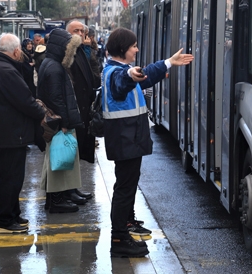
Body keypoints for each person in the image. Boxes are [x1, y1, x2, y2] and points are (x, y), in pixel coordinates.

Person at [103, 28, 193, 257]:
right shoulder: (117, 73)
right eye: (133, 45)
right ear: (123, 49)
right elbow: (125, 80)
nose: (136, 49)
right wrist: (132, 74)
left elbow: (142, 77)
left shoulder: (115, 69)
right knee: (124, 189)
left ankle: (123, 231)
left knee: (126, 187)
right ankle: (119, 238)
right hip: (126, 139)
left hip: (127, 139)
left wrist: (168, 64)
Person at [0, 34, 46, 234]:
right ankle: (4, 220)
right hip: (8, 134)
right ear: (16, 51)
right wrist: (42, 112)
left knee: (9, 177)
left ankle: (13, 213)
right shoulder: (6, 70)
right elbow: (25, 101)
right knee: (12, 179)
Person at [37, 28, 85, 213]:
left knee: (55, 159)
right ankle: (57, 201)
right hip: (57, 122)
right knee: (57, 161)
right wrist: (64, 122)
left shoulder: (49, 63)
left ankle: (55, 199)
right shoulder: (55, 67)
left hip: (53, 121)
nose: (71, 53)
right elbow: (57, 98)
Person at [66, 20, 99, 173]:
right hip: (72, 108)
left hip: (84, 108)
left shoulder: (85, 51)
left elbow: (95, 79)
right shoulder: (65, 52)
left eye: (82, 31)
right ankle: (69, 191)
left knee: (79, 149)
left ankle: (73, 189)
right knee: (70, 151)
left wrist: (88, 52)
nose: (80, 34)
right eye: (76, 31)